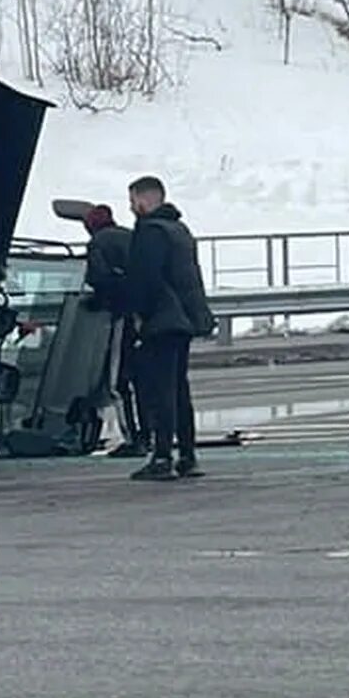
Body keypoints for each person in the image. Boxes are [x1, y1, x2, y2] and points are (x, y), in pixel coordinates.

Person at [124, 176, 215, 481]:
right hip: (184, 320)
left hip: (162, 321)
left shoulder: (150, 231)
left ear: (144, 199)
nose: (131, 207)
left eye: (133, 199)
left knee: (160, 389)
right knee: (179, 388)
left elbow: (144, 279)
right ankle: (187, 455)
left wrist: (140, 316)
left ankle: (162, 456)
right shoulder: (179, 230)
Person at [80, 204, 143, 456]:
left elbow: (98, 278)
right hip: (146, 315)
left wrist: (97, 303)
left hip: (121, 316)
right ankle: (150, 434)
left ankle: (133, 438)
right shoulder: (132, 236)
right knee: (143, 380)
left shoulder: (98, 243)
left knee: (118, 381)